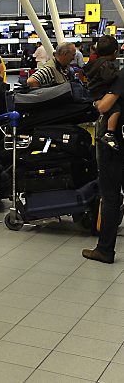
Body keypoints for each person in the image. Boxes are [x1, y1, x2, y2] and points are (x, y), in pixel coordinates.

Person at [85, 65, 124, 264]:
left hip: (116, 148)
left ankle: (105, 250)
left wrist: (96, 103)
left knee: (110, 197)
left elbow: (104, 106)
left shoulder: (121, 77)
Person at [85, 35, 121, 151]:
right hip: (101, 93)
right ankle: (109, 133)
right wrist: (118, 75)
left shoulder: (94, 62)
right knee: (115, 110)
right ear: (115, 52)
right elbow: (108, 77)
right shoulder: (106, 65)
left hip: (94, 92)